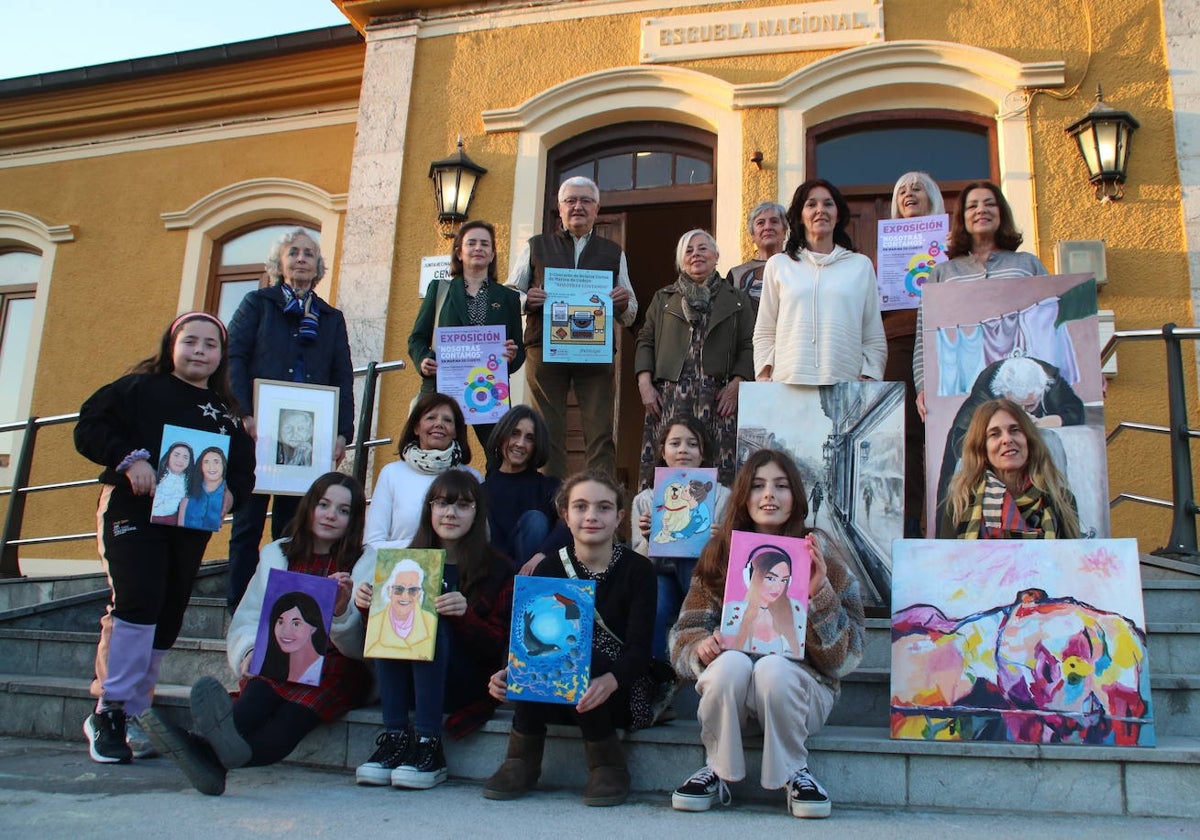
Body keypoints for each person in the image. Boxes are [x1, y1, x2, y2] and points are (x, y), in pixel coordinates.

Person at [74, 311, 255, 764]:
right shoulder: (138, 389)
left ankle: (138, 710)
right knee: (138, 598)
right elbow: (90, 425)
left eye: (210, 344)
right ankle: (109, 709)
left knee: (169, 609)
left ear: (221, 355)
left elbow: (243, 472)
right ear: (171, 346)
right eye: (190, 341)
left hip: (188, 522)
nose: (199, 351)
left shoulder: (226, 416)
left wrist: (231, 494)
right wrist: (128, 460)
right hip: (133, 510)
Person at [139, 473, 373, 796]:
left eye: (344, 510)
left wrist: (341, 612)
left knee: (290, 720)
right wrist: (248, 651)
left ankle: (197, 745)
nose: (332, 514)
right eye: (324, 505)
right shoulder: (277, 555)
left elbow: (362, 645)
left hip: (337, 664)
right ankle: (213, 759)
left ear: (354, 519)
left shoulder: (362, 562)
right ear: (308, 508)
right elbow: (249, 616)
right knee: (259, 694)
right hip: (281, 653)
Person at [669, 449, 865, 819]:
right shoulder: (721, 554)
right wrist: (700, 648)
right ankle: (718, 768)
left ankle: (795, 771)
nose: (769, 495)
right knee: (730, 666)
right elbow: (684, 634)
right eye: (758, 486)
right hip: (735, 696)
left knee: (772, 669)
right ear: (743, 496)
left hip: (800, 693)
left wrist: (818, 594)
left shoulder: (821, 552)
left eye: (781, 485)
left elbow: (846, 660)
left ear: (797, 496)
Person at [483, 471, 655, 807]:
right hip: (553, 692)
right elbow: (532, 638)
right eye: (580, 506)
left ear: (620, 517)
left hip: (614, 692)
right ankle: (521, 759)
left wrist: (611, 679)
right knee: (554, 656)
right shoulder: (549, 567)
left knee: (583, 659)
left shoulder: (639, 570)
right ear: (566, 515)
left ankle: (607, 763)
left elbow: (639, 651)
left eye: (603, 508)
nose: (591, 516)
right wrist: (509, 672)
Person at [351, 471, 514, 789]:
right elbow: (378, 636)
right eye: (442, 503)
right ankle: (395, 739)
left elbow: (500, 648)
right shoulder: (404, 562)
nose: (451, 512)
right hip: (407, 680)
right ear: (429, 510)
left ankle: (429, 744)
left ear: (477, 514)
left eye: (463, 505)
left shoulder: (498, 568)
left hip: (464, 682)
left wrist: (464, 615)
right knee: (402, 616)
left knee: (431, 622)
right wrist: (367, 606)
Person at [226, 228, 355, 611]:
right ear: (279, 263)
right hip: (257, 433)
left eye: (309, 254)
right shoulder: (257, 304)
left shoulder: (330, 317)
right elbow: (234, 358)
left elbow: (342, 376)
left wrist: (341, 434)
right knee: (247, 524)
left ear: (318, 266)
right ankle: (239, 607)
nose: (301, 258)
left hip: (306, 438)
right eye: (294, 252)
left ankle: (284, 605)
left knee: (293, 526)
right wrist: (244, 413)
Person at [506, 176, 639, 479]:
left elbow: (631, 312)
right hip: (544, 348)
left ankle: (600, 504)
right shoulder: (535, 246)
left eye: (586, 201)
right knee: (546, 433)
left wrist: (621, 303)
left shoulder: (613, 251)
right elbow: (508, 295)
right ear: (560, 208)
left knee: (600, 434)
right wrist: (528, 298)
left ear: (597, 209)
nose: (578, 206)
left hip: (596, 352)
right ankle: (551, 507)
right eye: (571, 201)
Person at [913, 181, 1049, 420]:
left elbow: (1049, 323)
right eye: (972, 206)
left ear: (1001, 213)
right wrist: (923, 386)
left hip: (1018, 381)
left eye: (989, 204)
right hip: (962, 383)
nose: (981, 210)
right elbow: (925, 338)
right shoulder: (943, 273)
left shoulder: (1028, 265)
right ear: (962, 217)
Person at [635, 229, 754, 486]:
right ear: (681, 259)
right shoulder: (664, 298)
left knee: (719, 466)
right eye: (688, 250)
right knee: (671, 460)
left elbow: (749, 344)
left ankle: (716, 526)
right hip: (670, 397)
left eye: (702, 248)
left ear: (716, 255)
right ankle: (663, 523)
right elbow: (646, 340)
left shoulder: (737, 299)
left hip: (720, 398)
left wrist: (736, 385)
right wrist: (645, 384)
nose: (696, 255)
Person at [754, 179, 886, 385]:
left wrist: (870, 375)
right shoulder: (779, 264)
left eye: (828, 204)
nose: (820, 210)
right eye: (811, 204)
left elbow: (873, 332)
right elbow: (765, 329)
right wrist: (763, 374)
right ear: (800, 215)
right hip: (788, 385)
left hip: (846, 386)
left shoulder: (860, 266)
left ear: (838, 214)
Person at [408, 220, 525, 454]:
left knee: (499, 454)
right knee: (438, 451)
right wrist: (423, 360)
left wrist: (511, 356)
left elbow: (519, 352)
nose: (478, 248)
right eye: (471, 243)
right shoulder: (439, 289)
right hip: (444, 387)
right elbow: (417, 338)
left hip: (490, 391)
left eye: (485, 244)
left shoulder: (508, 298)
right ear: (459, 252)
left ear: (492, 254)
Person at [630, 416, 731, 661]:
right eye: (675, 443)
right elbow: (636, 563)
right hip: (660, 574)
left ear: (702, 453)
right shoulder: (644, 500)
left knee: (690, 565)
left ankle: (701, 650)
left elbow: (730, 560)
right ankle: (654, 673)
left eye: (692, 444)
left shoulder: (722, 496)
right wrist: (647, 538)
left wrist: (719, 542)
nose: (683, 449)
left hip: (702, 577)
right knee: (654, 604)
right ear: (663, 452)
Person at [934, 356, 1085, 516]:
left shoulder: (1049, 377)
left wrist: (1044, 422)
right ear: (1002, 394)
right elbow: (960, 440)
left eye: (1030, 406)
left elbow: (1075, 410)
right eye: (1016, 407)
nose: (1023, 414)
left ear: (1042, 392)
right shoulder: (987, 388)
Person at [887, 172, 946, 536]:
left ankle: (944, 521)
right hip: (897, 342)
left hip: (941, 339)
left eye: (917, 188)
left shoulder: (952, 247)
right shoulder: (883, 250)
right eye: (902, 190)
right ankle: (909, 524)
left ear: (932, 198)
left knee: (943, 432)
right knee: (904, 437)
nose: (909, 194)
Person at [938, 398, 1080, 539]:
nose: (1007, 439)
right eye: (994, 434)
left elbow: (1071, 559)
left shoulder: (1062, 500)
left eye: (1015, 430)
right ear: (982, 448)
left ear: (1029, 439)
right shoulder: (959, 505)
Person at [365, 392, 483, 548]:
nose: (439, 424)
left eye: (447, 420)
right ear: (416, 427)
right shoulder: (392, 473)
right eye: (431, 418)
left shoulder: (472, 477)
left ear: (455, 431)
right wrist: (426, 551)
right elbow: (372, 543)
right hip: (400, 569)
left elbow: (481, 538)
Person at [482, 405, 562, 571]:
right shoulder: (481, 490)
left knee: (535, 520)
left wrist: (542, 554)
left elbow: (571, 523)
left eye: (530, 438)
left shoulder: (550, 487)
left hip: (536, 576)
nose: (520, 444)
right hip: (495, 576)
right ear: (501, 436)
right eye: (514, 433)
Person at [722, 546, 803, 657]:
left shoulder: (795, 611)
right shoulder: (733, 610)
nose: (778, 586)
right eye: (771, 578)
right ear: (752, 577)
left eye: (784, 580)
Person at [726, 201, 788, 314]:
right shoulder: (735, 275)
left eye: (774, 221)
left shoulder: (800, 266)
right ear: (752, 236)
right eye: (761, 223)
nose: (768, 227)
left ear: (784, 232)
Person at [259, 591, 327, 684]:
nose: (285, 631)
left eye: (296, 624)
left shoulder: (323, 670)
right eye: (280, 622)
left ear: (314, 628)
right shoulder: (274, 670)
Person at [180, 446, 228, 531]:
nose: (211, 467)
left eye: (216, 462)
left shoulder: (228, 493)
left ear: (223, 464)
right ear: (201, 465)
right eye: (206, 462)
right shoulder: (188, 491)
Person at [150, 441, 193, 525]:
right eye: (176, 455)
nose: (180, 460)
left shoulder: (189, 481)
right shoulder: (155, 473)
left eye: (185, 457)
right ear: (169, 456)